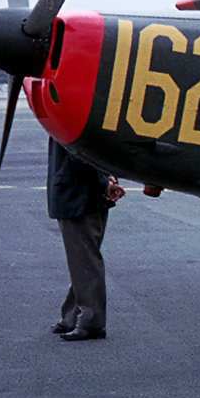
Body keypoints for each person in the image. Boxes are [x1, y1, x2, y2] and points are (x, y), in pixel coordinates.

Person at [47, 138, 124, 341]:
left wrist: (104, 182)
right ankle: (72, 317)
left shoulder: (69, 109)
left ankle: (91, 322)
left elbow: (79, 152)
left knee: (85, 261)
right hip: (84, 194)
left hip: (79, 196)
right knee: (83, 259)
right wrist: (108, 179)